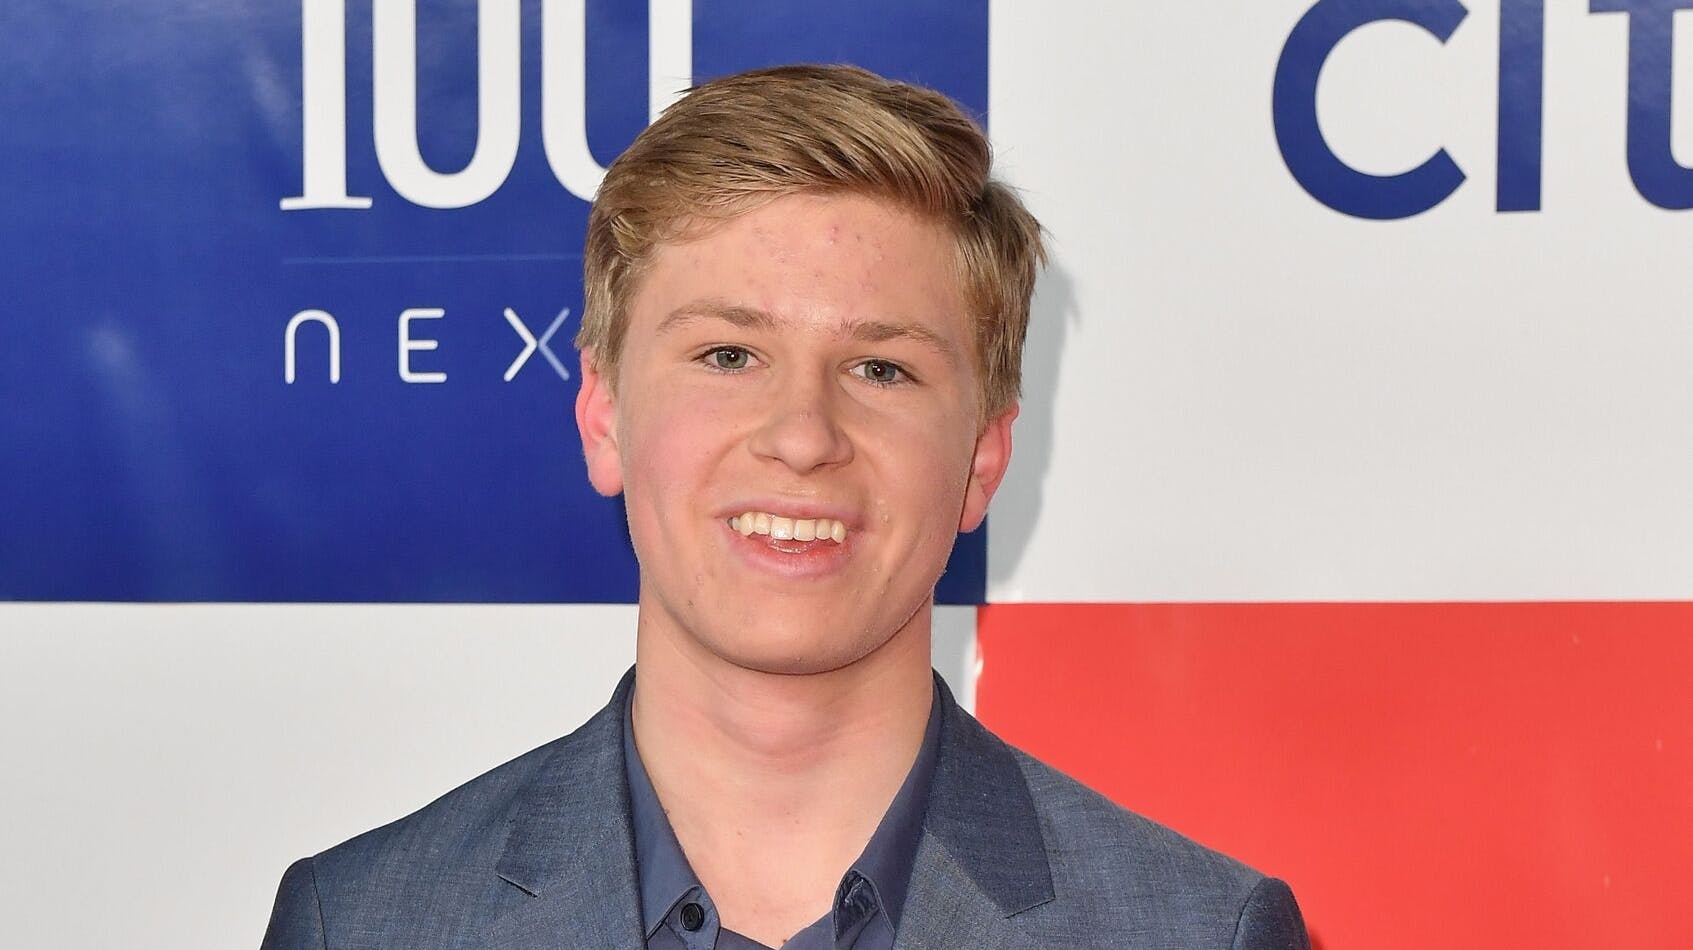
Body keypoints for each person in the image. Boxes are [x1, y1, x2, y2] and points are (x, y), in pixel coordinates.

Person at [261, 64, 1310, 950]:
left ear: (984, 453)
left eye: (880, 368)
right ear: (603, 412)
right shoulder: (360, 922)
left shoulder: (1196, 928)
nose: (803, 434)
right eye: (728, 353)